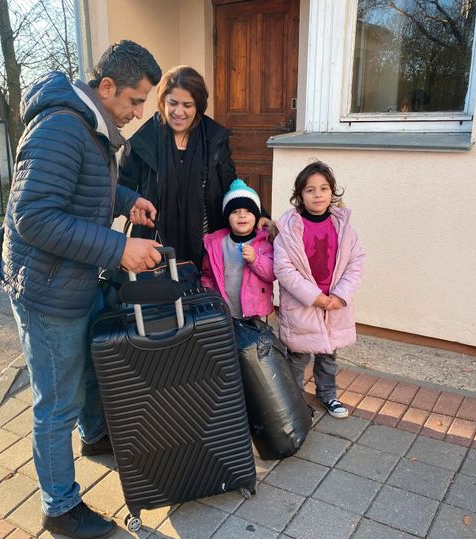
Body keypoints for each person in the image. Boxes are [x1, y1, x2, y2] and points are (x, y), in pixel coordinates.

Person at [0, 40, 162, 539]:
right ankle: (59, 508)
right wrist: (117, 249)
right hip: (48, 291)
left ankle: (92, 436)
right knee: (55, 403)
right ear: (106, 88)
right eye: (134, 100)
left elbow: (83, 187)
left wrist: (128, 199)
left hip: (72, 281)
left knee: (83, 377)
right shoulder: (62, 127)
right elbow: (34, 217)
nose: (138, 112)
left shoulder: (88, 125)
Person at [119, 65, 268, 267]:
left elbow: (231, 185)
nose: (178, 112)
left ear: (198, 105)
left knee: (202, 297)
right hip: (156, 248)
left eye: (187, 105)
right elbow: (122, 188)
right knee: (165, 298)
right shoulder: (142, 142)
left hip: (207, 248)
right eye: (173, 103)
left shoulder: (214, 139)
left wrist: (260, 214)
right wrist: (130, 206)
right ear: (163, 102)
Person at [273, 161, 365, 419]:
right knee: (298, 357)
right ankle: (294, 400)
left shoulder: (343, 227)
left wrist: (339, 296)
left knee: (328, 355)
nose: (318, 195)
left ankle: (328, 395)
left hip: (334, 306)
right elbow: (283, 268)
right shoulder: (289, 230)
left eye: (324, 188)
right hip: (304, 304)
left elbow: (356, 262)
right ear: (300, 195)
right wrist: (314, 297)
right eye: (310, 190)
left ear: (332, 193)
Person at [201, 179, 275, 325]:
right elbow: (207, 274)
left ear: (257, 216)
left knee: (252, 343)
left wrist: (255, 259)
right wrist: (210, 298)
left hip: (254, 313)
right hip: (224, 310)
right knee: (230, 346)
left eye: (248, 211)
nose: (242, 215)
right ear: (227, 217)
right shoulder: (216, 244)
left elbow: (272, 273)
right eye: (235, 212)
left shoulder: (263, 243)